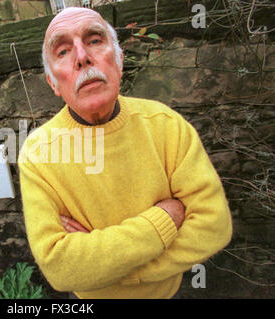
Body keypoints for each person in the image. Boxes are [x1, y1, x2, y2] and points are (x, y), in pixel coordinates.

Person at [17, 7, 232, 299]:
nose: (82, 57)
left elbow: (214, 226)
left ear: (119, 61)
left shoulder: (167, 126)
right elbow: (61, 267)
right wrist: (165, 219)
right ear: (53, 83)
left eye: (94, 40)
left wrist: (111, 269)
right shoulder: (38, 154)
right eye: (63, 50)